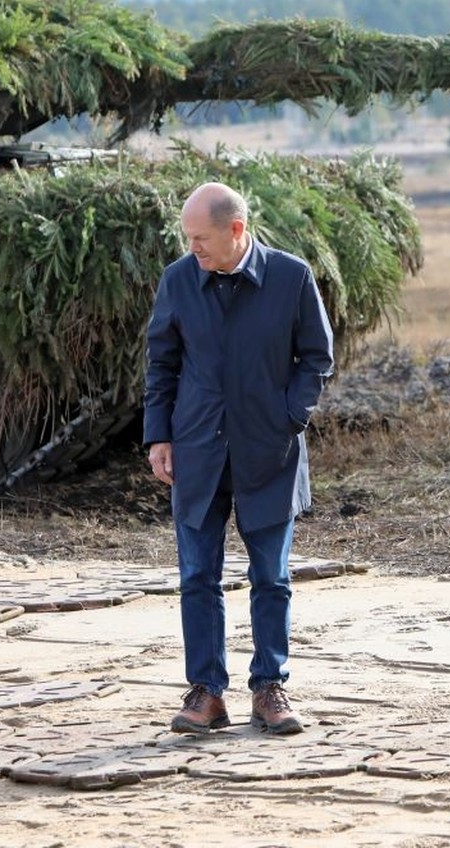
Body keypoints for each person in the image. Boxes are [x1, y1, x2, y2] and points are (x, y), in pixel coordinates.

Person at [143, 181, 334, 736]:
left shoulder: (291, 277)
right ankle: (206, 693)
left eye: (201, 238)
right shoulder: (179, 281)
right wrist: (160, 437)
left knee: (271, 577)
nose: (193, 249)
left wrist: (289, 417)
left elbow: (317, 358)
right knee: (197, 576)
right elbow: (161, 365)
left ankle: (269, 688)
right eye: (188, 239)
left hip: (269, 450)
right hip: (197, 451)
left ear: (236, 230)